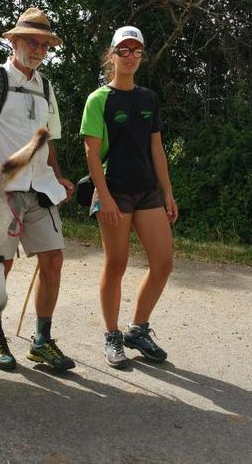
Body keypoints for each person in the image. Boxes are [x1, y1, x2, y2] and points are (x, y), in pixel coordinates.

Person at [0, 7, 76, 372]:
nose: (39, 50)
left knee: (53, 260)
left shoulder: (45, 86)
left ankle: (42, 341)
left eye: (44, 45)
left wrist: (57, 177)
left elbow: (48, 138)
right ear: (13, 42)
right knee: (2, 266)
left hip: (40, 188)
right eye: (32, 42)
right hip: (2, 189)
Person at [79, 25, 178, 369]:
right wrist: (104, 198)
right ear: (112, 55)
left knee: (163, 263)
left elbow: (157, 148)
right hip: (114, 190)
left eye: (137, 51)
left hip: (147, 190)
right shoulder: (99, 99)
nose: (131, 56)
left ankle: (138, 329)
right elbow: (92, 154)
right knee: (116, 264)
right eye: (124, 50)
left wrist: (168, 193)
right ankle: (112, 335)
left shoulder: (149, 98)